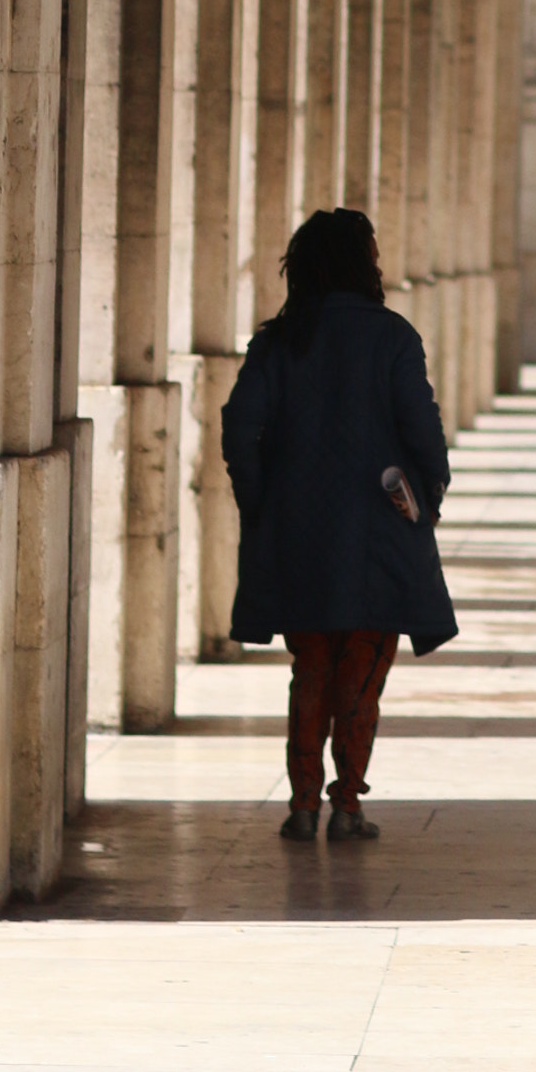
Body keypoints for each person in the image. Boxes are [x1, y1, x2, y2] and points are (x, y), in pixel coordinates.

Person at [221, 207, 457, 843]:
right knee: (361, 671)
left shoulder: (278, 340)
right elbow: (424, 431)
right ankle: (347, 804)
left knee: (312, 668)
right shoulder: (392, 337)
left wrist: (261, 502)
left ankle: (302, 804)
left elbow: (240, 426)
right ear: (362, 265)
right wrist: (427, 497)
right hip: (378, 538)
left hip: (297, 535)